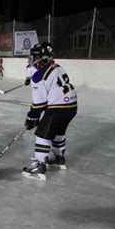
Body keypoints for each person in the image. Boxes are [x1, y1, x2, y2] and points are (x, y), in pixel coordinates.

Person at [21, 42, 77, 181]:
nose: (32, 59)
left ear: (42, 57)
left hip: (57, 108)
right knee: (58, 132)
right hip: (72, 106)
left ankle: (40, 165)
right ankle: (59, 158)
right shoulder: (55, 66)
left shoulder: (39, 77)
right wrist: (29, 78)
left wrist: (31, 118)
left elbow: (39, 104)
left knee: (42, 135)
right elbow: (35, 72)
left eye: (35, 56)